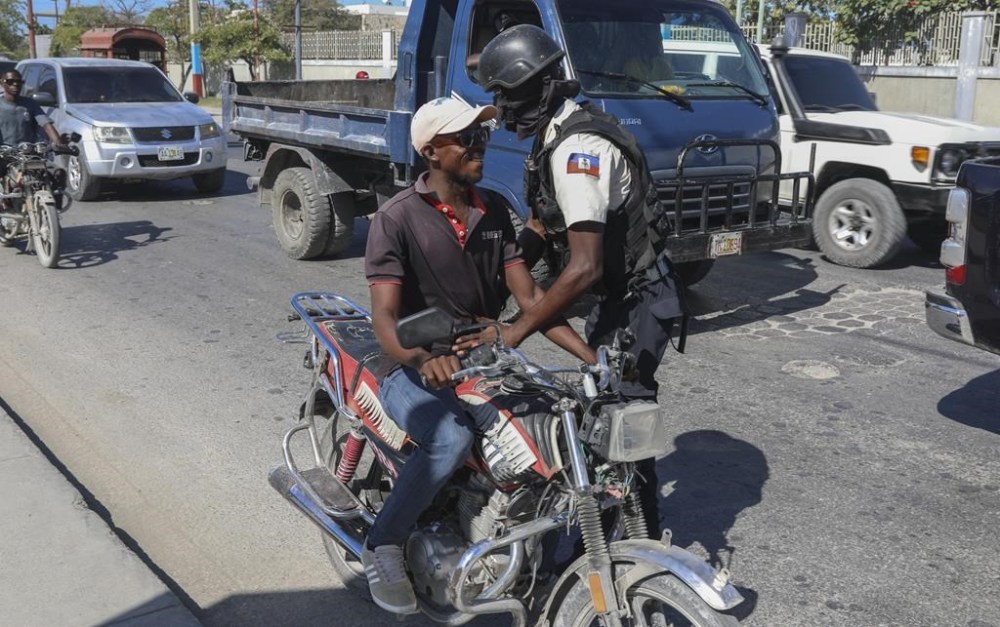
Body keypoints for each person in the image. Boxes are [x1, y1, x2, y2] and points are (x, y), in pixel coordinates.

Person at [362, 96, 595, 614]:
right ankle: (383, 543)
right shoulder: (396, 218)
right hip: (411, 362)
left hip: (481, 359)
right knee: (450, 436)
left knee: (556, 424)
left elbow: (531, 301)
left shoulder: (491, 210)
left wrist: (591, 357)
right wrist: (421, 359)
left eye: (482, 135)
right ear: (431, 151)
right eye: (466, 138)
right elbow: (385, 318)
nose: (479, 145)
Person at [477, 24, 688, 536]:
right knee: (602, 412)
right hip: (618, 298)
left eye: (506, 95)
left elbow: (584, 266)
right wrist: (498, 276)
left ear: (537, 88)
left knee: (623, 420)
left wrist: (515, 331)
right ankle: (609, 527)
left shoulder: (577, 151)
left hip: (639, 301)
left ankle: (642, 540)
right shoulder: (554, 134)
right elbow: (537, 226)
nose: (501, 109)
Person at [0, 70, 62, 146]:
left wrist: (59, 144)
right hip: (4, 151)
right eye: (10, 81)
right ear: (2, 83)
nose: (15, 84)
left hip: (27, 151)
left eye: (19, 82)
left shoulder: (31, 104)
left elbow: (46, 124)